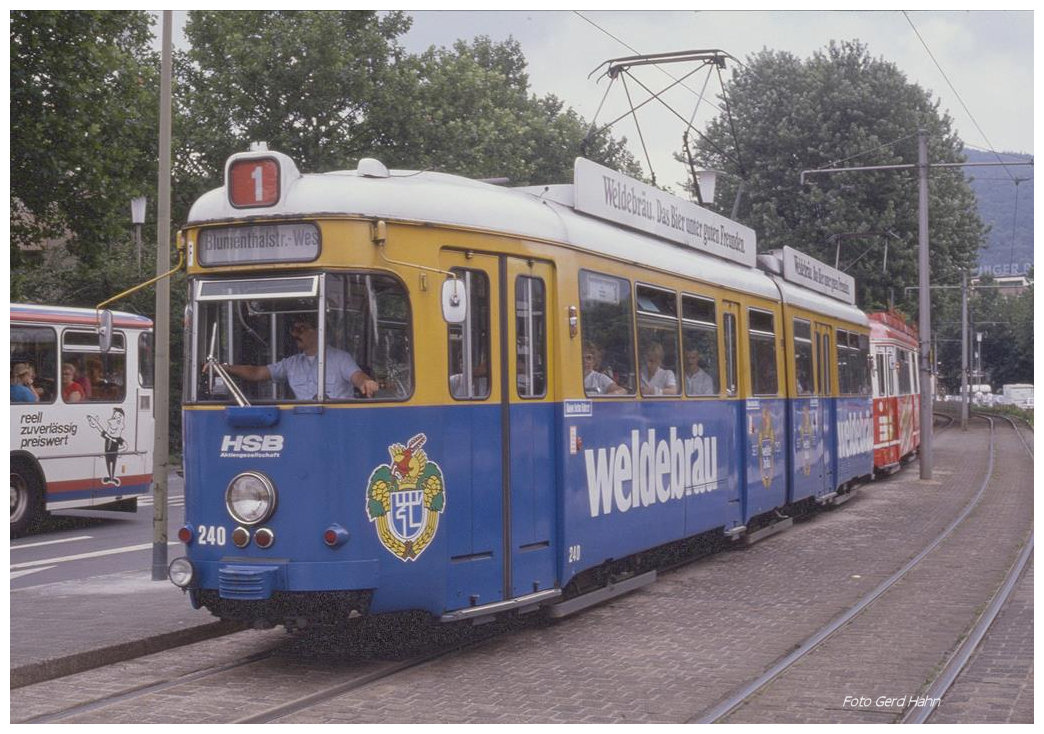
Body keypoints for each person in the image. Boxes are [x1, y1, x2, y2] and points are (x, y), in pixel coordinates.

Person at [220, 314, 379, 400]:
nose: (294, 334)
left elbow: (357, 376)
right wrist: (224, 368)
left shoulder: (341, 358)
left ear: (318, 331)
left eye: (301, 329)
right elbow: (256, 373)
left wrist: (367, 383)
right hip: (302, 426)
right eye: (293, 330)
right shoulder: (292, 363)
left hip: (338, 424)